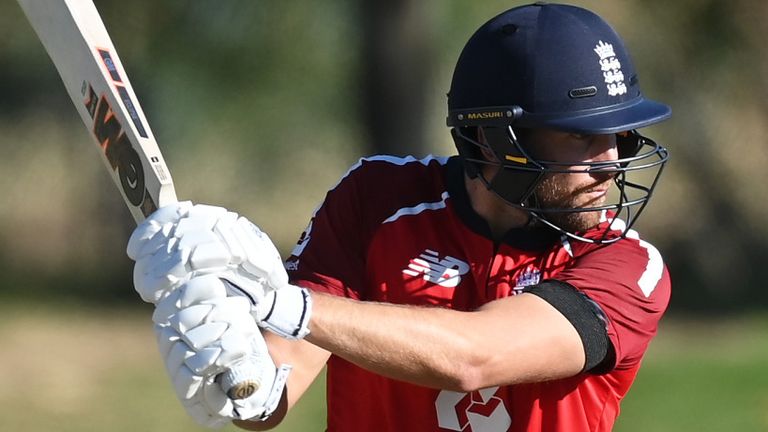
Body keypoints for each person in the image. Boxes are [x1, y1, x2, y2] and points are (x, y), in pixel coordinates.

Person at [127, 3, 672, 431]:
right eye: (580, 135)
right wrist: (236, 366)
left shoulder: (630, 267)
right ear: (494, 139)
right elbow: (274, 393)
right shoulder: (378, 200)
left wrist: (273, 302)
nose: (611, 161)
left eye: (620, 135)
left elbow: (475, 358)